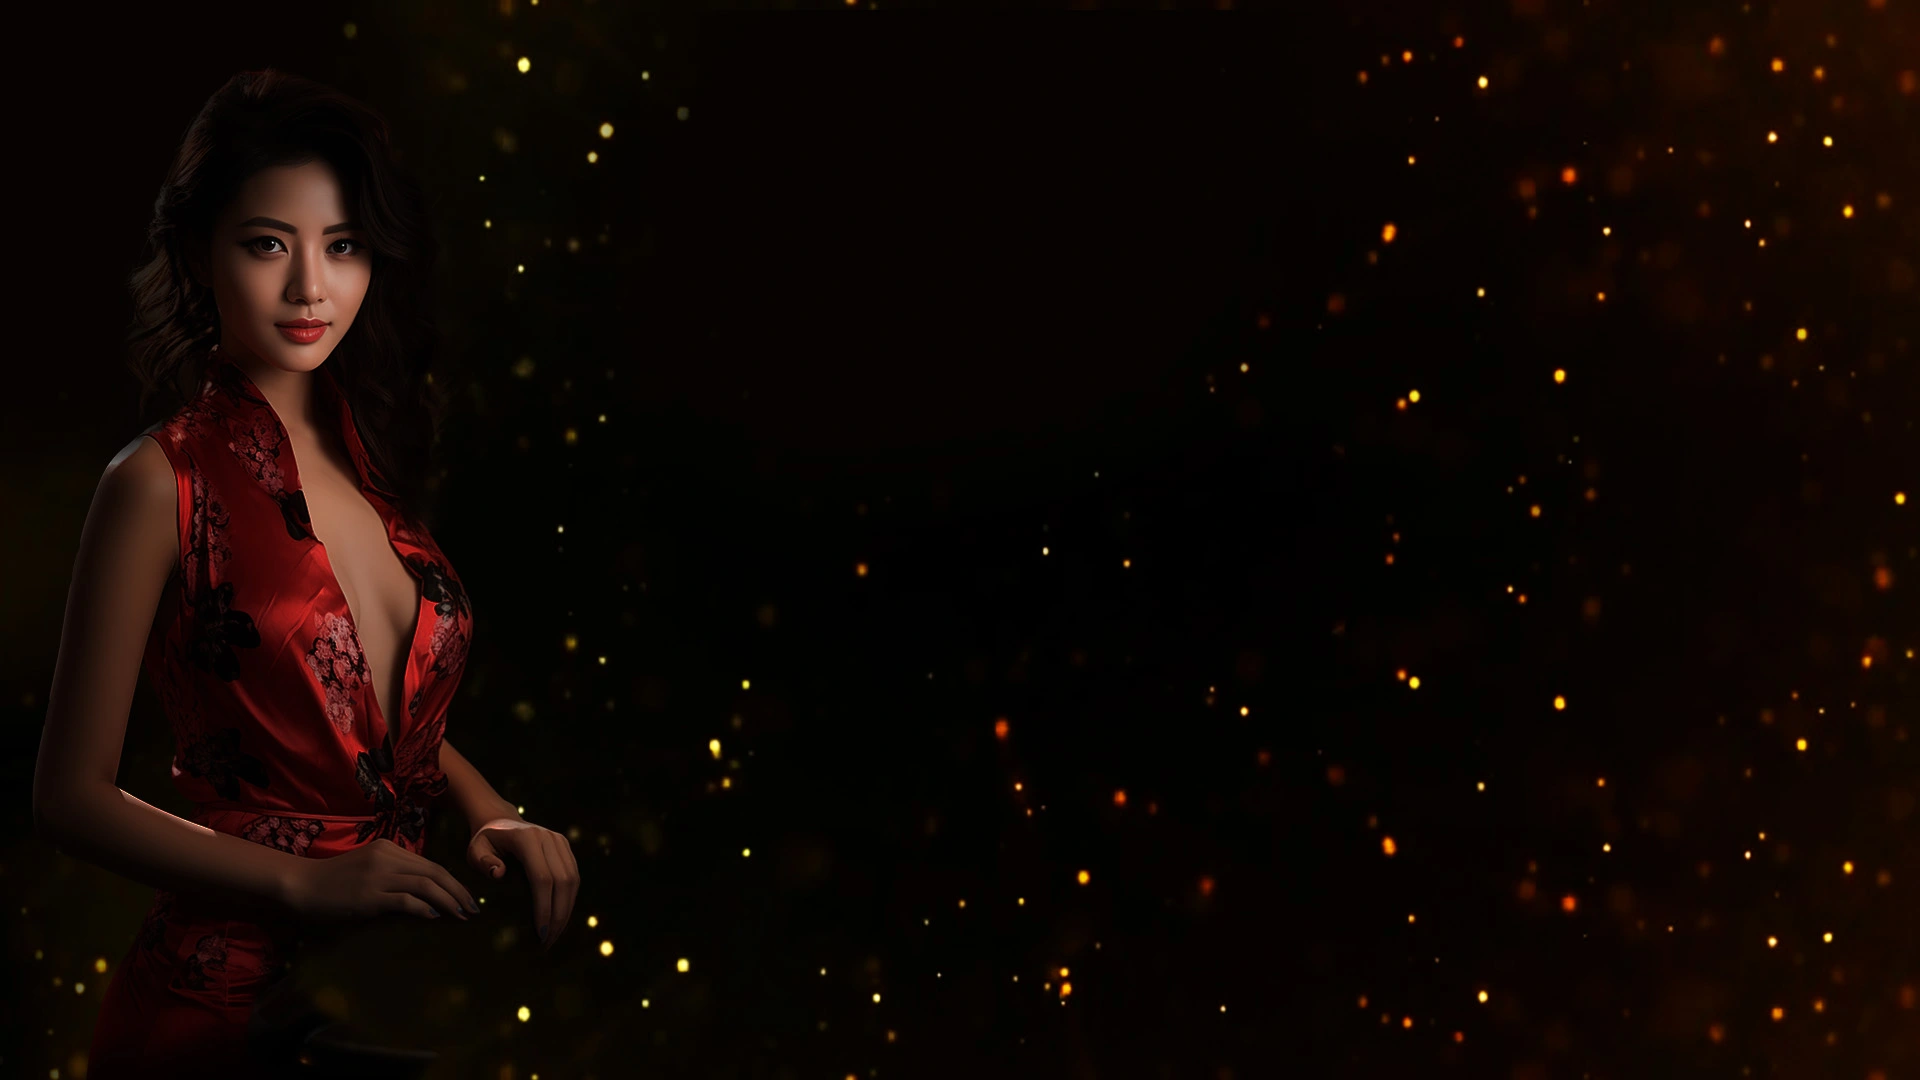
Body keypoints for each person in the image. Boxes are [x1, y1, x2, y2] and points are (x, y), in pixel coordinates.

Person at [30, 68, 581, 1076]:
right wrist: (302, 882)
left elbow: (367, 721)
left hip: (358, 987)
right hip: (208, 1010)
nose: (310, 289)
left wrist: (489, 808)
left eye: (343, 246)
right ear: (198, 253)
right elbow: (67, 796)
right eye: (267, 244)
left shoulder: (370, 460)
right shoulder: (158, 481)